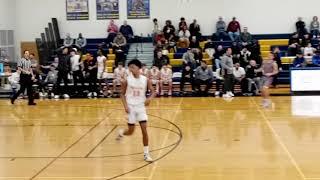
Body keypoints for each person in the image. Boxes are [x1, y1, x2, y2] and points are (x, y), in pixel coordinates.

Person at [117, 59, 156, 162]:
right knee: (130, 132)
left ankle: (146, 154)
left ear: (138, 68)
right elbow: (121, 93)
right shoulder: (127, 80)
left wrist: (149, 99)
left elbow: (153, 92)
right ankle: (122, 132)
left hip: (141, 107)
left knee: (144, 130)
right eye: (129, 67)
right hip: (131, 107)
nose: (130, 69)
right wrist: (125, 106)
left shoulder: (145, 79)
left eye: (132, 67)